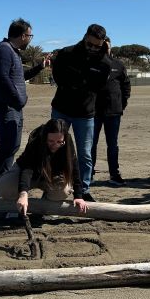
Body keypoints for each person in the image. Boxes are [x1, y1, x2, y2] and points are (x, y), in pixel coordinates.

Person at [0, 18, 50, 200]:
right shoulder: (3, 50)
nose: (31, 39)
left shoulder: (13, 52)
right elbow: (2, 78)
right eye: (30, 36)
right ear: (23, 35)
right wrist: (18, 99)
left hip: (13, 107)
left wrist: (39, 68)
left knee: (12, 147)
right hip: (5, 106)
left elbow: (19, 76)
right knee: (6, 147)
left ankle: (1, 184)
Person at [49, 24, 112, 200]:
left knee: (85, 153)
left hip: (85, 113)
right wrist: (73, 85)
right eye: (89, 44)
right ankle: (55, 188)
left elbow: (99, 86)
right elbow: (57, 76)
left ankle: (84, 189)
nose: (92, 48)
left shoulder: (104, 62)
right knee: (55, 149)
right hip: (61, 109)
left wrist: (100, 58)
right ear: (85, 37)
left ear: (103, 44)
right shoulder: (66, 53)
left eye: (97, 46)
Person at [0, 118, 88, 216]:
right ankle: (14, 206)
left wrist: (78, 196)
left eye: (59, 142)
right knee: (5, 187)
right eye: (51, 141)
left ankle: (46, 204)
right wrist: (23, 193)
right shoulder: (36, 139)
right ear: (45, 137)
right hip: (27, 171)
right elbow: (27, 169)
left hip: (51, 174)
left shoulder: (67, 141)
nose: (55, 145)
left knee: (62, 192)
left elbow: (74, 167)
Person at [91, 37, 131, 186]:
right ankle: (89, 174)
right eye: (102, 47)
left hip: (113, 112)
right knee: (91, 144)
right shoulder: (92, 64)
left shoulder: (119, 65)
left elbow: (126, 86)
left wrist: (122, 104)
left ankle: (114, 174)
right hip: (93, 112)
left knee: (112, 144)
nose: (105, 49)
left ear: (111, 48)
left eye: (107, 47)